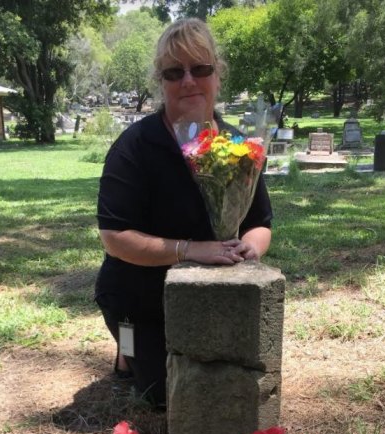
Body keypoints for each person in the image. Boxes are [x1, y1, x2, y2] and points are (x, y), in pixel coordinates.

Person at [95, 17, 273, 408]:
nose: (188, 81)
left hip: (214, 294)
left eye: (201, 69)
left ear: (217, 75)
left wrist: (249, 248)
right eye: (174, 72)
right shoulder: (135, 147)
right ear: (160, 82)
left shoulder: (240, 146)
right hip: (137, 296)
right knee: (166, 396)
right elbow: (114, 237)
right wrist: (190, 249)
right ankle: (126, 353)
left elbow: (261, 222)